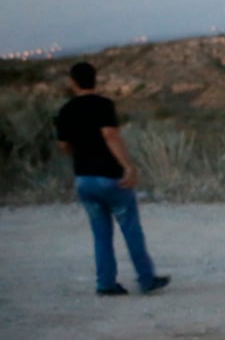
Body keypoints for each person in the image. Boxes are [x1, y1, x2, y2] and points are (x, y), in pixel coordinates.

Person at [55, 62, 169, 296]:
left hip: (84, 178)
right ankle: (146, 278)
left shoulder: (65, 110)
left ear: (73, 82)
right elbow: (110, 135)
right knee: (130, 229)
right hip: (109, 176)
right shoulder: (103, 105)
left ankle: (105, 283)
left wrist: (80, 154)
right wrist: (128, 166)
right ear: (94, 80)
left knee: (100, 234)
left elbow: (63, 145)